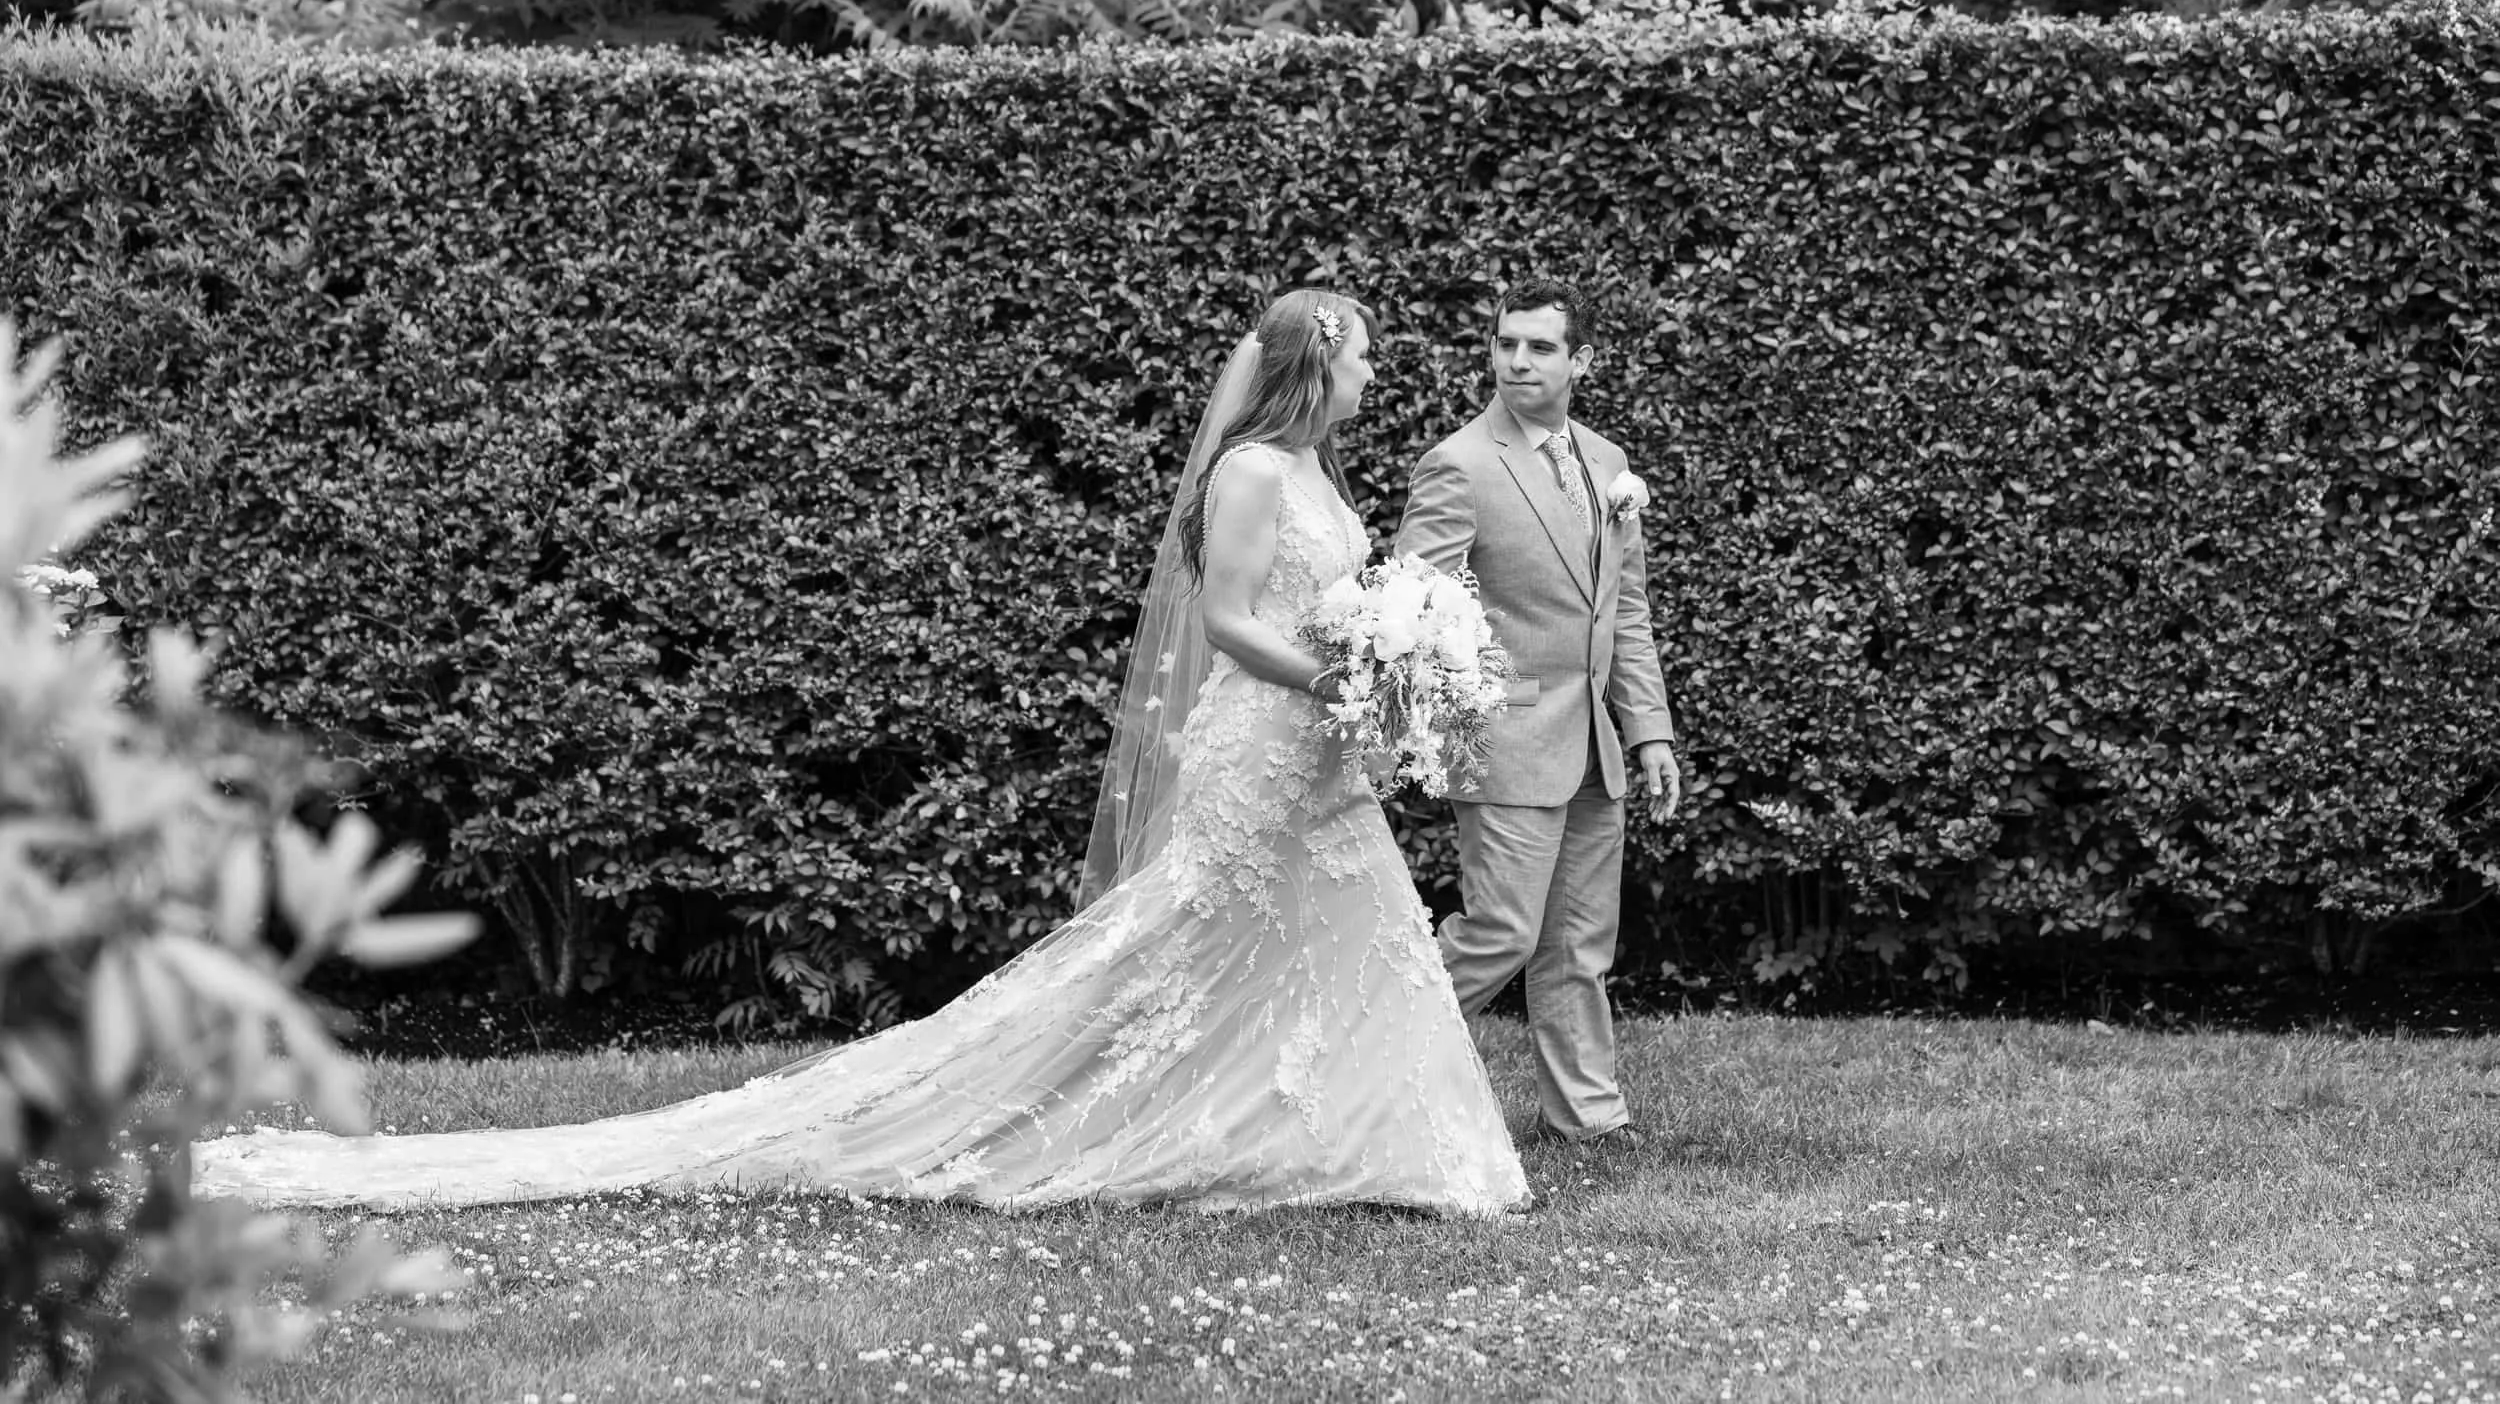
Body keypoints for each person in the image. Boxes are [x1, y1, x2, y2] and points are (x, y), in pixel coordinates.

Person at [193, 290, 1530, 1217]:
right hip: (1264, 741)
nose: (1371, 371)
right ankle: (1081, 1111)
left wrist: (1380, 655)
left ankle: (1381, 1139)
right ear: (1309, 363)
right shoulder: (1247, 473)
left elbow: (1316, 603)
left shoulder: (1324, 476)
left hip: (1319, 753)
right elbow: (1235, 624)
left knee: (1351, 930)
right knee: (1182, 945)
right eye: (1356, 353)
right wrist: (1351, 664)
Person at [1395, 276, 1681, 1151]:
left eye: (1540, 346)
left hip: (1595, 741)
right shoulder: (1460, 463)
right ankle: (1367, 1062)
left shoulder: (1605, 461)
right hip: (1507, 736)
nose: (1518, 359)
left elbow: (1621, 609)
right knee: (1503, 934)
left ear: (1579, 361)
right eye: (1505, 342)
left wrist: (1650, 729)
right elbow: (1415, 612)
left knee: (1580, 946)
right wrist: (1428, 734)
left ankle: (1588, 1116)